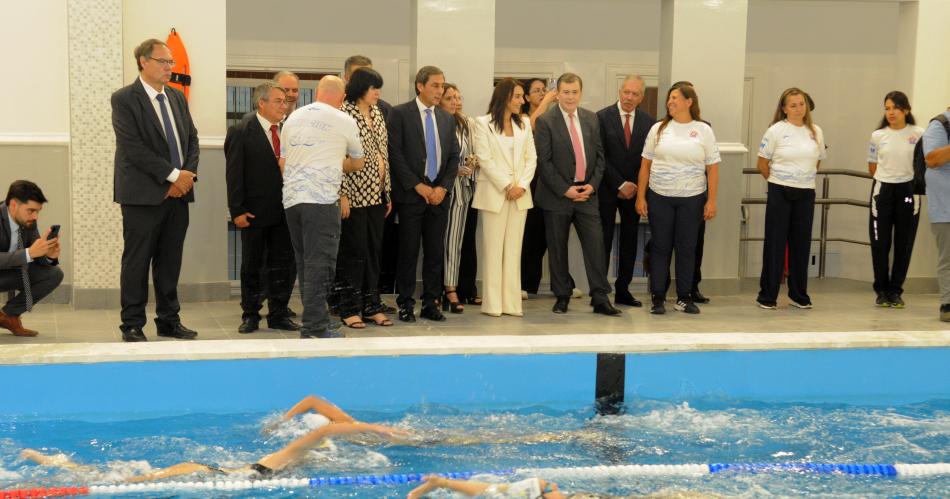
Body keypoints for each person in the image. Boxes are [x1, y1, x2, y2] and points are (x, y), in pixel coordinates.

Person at [112, 38, 199, 343]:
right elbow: (133, 147)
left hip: (179, 194)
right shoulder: (124, 99)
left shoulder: (175, 97)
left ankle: (169, 321)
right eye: (163, 61)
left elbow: (192, 139)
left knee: (169, 261)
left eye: (171, 62)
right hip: (142, 196)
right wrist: (173, 176)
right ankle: (132, 324)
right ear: (143, 62)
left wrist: (185, 178)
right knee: (137, 262)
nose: (169, 67)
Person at [19, 418, 406, 483]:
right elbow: (327, 428)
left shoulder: (297, 459)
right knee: (118, 481)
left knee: (122, 477)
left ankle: (62, 464)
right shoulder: (292, 454)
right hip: (202, 472)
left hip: (210, 470)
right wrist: (375, 428)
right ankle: (57, 463)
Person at [281, 76, 365, 338]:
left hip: (292, 200)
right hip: (321, 200)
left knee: (305, 262)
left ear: (317, 93)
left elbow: (283, 162)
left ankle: (316, 318)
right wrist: (337, 162)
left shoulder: (292, 118)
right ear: (342, 98)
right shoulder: (344, 119)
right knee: (321, 264)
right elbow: (358, 163)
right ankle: (315, 326)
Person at [534, 73, 620, 317]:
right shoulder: (545, 121)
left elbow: (600, 158)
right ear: (557, 94)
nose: (570, 97)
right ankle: (562, 296)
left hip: (587, 195)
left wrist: (591, 186)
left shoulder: (591, 118)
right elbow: (544, 162)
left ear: (580, 93)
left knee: (596, 246)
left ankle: (600, 297)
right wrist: (566, 189)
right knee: (557, 248)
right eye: (566, 92)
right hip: (557, 196)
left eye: (574, 92)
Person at [636, 82, 720, 315]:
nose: (670, 101)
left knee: (687, 248)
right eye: (669, 98)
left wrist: (711, 201)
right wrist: (641, 197)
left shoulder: (703, 130)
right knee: (660, 247)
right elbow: (645, 165)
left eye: (675, 97)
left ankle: (684, 297)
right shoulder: (658, 129)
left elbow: (713, 168)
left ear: (689, 102)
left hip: (692, 198)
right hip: (660, 196)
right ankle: (658, 298)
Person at [387, 66, 461, 323]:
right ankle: (406, 304)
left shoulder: (446, 118)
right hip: (411, 196)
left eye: (442, 86)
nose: (440, 91)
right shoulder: (400, 114)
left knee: (435, 253)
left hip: (439, 197)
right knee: (408, 252)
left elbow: (454, 157)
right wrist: (417, 186)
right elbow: (394, 153)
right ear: (420, 86)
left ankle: (431, 302)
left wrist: (443, 187)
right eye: (435, 85)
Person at [225, 81, 299, 334]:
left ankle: (279, 313)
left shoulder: (290, 130)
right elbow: (234, 174)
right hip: (254, 212)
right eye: (278, 101)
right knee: (252, 265)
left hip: (287, 210)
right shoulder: (241, 131)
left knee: (283, 264)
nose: (284, 105)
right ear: (261, 103)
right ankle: (251, 314)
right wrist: (237, 210)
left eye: (285, 101)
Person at [754, 87, 826, 310]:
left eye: (801, 104)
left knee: (801, 244)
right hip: (780, 191)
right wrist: (778, 181)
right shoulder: (776, 130)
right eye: (793, 105)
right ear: (784, 109)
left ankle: (798, 294)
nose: (798, 108)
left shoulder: (816, 131)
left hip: (806, 192)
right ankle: (768, 295)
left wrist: (803, 177)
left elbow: (818, 160)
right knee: (775, 243)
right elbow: (762, 164)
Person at [472, 78, 537, 317]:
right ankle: (493, 304)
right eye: (517, 96)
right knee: (493, 249)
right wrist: (507, 185)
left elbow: (532, 158)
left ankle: (511, 304)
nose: (522, 101)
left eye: (522, 96)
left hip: (520, 195)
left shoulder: (525, 123)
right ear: (505, 97)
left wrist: (521, 186)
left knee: (513, 250)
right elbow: (484, 159)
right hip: (495, 193)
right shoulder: (482, 123)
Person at [336, 68, 393, 329]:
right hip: (355, 194)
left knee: (373, 252)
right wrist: (342, 194)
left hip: (377, 194)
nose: (377, 92)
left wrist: (387, 191)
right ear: (360, 88)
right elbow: (338, 157)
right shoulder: (345, 114)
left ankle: (372, 305)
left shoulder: (378, 113)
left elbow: (384, 154)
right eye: (373, 87)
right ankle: (349, 308)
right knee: (354, 252)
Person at [596, 75, 654, 308]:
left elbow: (647, 159)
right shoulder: (601, 117)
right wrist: (620, 184)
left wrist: (635, 186)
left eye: (635, 94)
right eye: (626, 92)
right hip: (607, 189)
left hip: (635, 191)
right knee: (603, 241)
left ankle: (623, 290)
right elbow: (600, 155)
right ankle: (600, 291)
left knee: (630, 240)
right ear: (620, 91)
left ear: (641, 97)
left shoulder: (649, 122)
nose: (629, 97)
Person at [520, 78, 579, 300]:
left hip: (553, 182)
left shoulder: (556, 117)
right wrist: (546, 101)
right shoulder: (522, 118)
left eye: (544, 90)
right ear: (526, 97)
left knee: (555, 236)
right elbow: (531, 127)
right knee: (532, 235)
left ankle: (563, 283)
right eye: (536, 91)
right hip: (531, 181)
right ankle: (525, 282)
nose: (542, 93)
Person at [867, 91, 924, 308]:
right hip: (883, 191)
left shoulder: (919, 133)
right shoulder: (878, 135)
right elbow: (872, 165)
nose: (891, 113)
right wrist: (887, 179)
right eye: (887, 108)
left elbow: (923, 163)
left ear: (906, 110)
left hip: (909, 191)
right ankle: (881, 290)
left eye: (896, 108)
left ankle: (895, 291)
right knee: (880, 243)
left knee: (904, 243)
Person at [0, 181, 63, 337]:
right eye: (31, 210)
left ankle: (8, 316)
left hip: (9, 273)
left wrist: (48, 256)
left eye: (38, 211)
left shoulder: (29, 222)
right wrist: (28, 253)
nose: (35, 216)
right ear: (13, 205)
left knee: (54, 274)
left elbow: (35, 255)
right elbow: (29, 253)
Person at [440, 83, 479, 313]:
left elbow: (474, 152)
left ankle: (452, 287)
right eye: (450, 98)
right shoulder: (438, 122)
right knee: (440, 243)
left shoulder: (466, 123)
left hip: (462, 191)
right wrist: (455, 169)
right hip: (443, 189)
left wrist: (472, 164)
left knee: (455, 242)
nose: (456, 102)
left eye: (458, 97)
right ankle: (443, 289)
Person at [924, 105, 950, 321]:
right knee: (948, 258)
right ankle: (948, 305)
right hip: (945, 207)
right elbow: (932, 159)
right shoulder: (940, 124)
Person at [408, 475, 564, 498]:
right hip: (542, 490)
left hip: (543, 489)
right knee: (493, 492)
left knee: (495, 490)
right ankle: (442, 483)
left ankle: (444, 483)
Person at [343, 55, 393, 120]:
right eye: (359, 77)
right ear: (346, 78)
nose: (365, 81)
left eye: (369, 76)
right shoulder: (338, 106)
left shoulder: (384, 109)